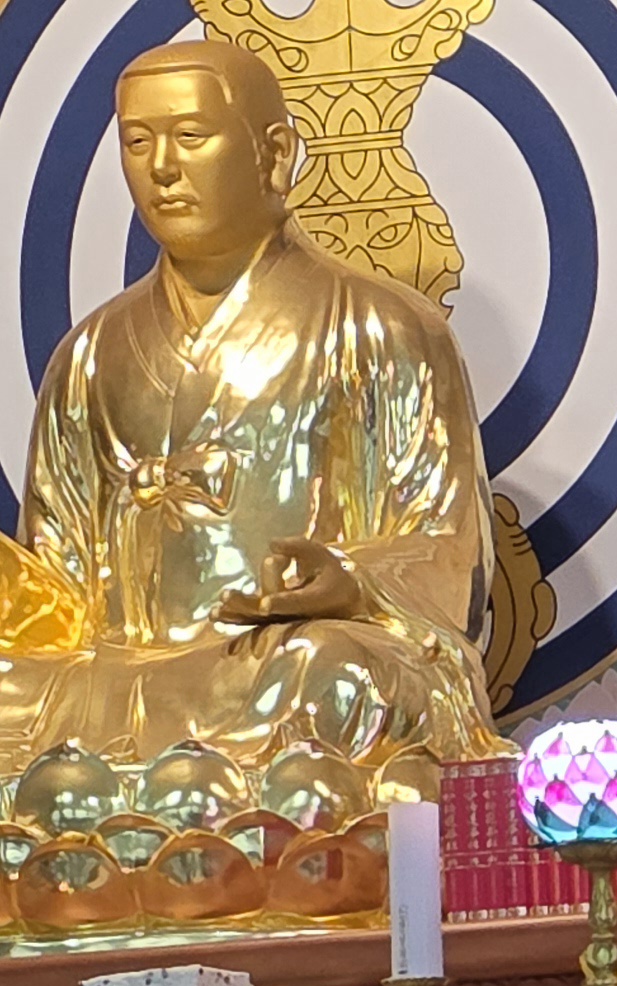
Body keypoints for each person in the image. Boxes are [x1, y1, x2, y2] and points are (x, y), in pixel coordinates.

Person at [0, 37, 502, 768]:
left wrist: (348, 579)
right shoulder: (88, 356)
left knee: (336, 675)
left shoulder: (382, 327)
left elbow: (450, 547)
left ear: (274, 155)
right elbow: (60, 593)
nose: (162, 167)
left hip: (279, 660)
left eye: (190, 136)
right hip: (120, 676)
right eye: (137, 142)